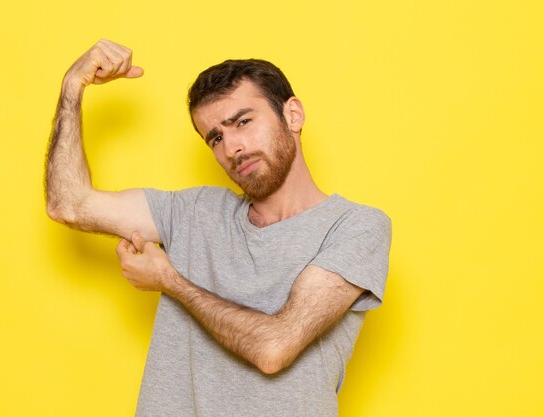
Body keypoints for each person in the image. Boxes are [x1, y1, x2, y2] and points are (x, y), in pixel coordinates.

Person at [45, 39, 391, 417]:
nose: (232, 148)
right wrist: (72, 86)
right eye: (216, 137)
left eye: (243, 121)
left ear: (292, 115)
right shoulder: (196, 211)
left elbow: (274, 349)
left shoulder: (355, 226)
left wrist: (170, 281)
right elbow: (68, 204)